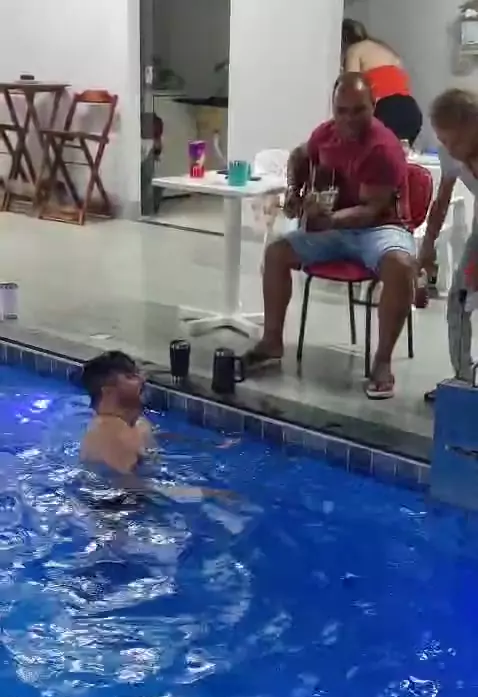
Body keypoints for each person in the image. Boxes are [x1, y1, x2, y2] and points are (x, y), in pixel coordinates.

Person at [243, 72, 416, 400]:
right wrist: (294, 191)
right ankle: (272, 341)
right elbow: (299, 156)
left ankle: (382, 362)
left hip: (379, 228)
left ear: (374, 106)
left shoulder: (384, 148)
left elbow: (371, 210)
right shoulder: (325, 134)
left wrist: (328, 220)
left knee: (401, 266)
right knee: (276, 252)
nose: (348, 119)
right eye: (341, 111)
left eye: (358, 110)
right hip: (334, 229)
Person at [80, 351, 234, 499]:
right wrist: (205, 494)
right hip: (117, 511)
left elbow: (159, 436)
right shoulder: (108, 437)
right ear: (108, 392)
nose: (142, 380)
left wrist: (210, 445)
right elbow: (133, 489)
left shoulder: (137, 423)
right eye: (130, 377)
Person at [419, 89, 478, 402]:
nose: (450, 149)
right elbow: (441, 201)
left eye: (455, 140)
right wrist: (427, 246)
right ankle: (463, 380)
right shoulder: (451, 155)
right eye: (444, 141)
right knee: (459, 297)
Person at [342, 19, 422, 147]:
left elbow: (351, 86)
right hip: (411, 110)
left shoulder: (354, 50)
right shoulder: (386, 50)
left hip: (386, 109)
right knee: (398, 154)